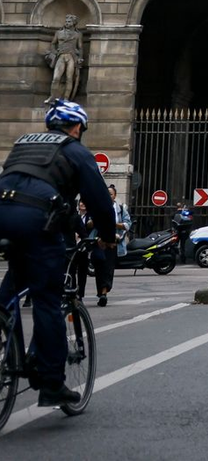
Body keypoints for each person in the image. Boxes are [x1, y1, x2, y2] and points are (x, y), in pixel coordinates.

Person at [0, 99, 116, 408]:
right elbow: (100, 202)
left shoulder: (23, 144)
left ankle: (6, 337)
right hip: (35, 220)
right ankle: (51, 383)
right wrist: (107, 237)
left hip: (3, 211)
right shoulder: (75, 151)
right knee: (48, 299)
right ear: (77, 127)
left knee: (11, 288)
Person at [92, 182, 130, 307]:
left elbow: (127, 225)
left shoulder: (120, 209)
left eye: (111, 194)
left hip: (113, 242)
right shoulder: (98, 207)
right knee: (99, 266)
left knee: (108, 268)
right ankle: (100, 291)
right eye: (106, 194)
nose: (108, 196)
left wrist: (114, 224)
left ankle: (104, 293)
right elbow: (91, 223)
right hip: (99, 241)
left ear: (115, 196)